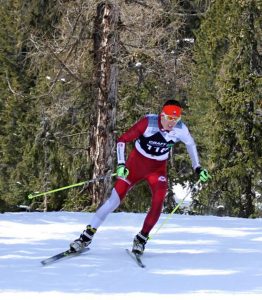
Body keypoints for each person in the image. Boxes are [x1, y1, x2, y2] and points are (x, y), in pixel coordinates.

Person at [70, 99, 211, 255]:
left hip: (157, 169)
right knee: (114, 201)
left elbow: (191, 145)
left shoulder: (181, 129)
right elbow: (122, 140)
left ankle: (141, 239)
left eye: (176, 119)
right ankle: (86, 237)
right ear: (162, 115)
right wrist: (122, 165)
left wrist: (197, 168)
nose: (172, 123)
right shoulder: (148, 123)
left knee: (158, 202)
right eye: (169, 118)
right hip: (135, 165)